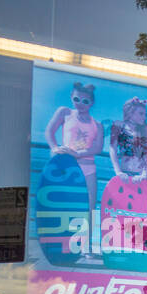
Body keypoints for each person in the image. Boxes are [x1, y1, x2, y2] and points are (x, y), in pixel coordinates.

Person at [44, 81, 104, 213]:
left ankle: (87, 233)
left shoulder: (97, 125)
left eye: (85, 101)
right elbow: (49, 131)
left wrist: (79, 154)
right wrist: (54, 148)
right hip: (66, 164)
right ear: (71, 97)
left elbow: (98, 147)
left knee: (90, 207)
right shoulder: (65, 112)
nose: (81, 103)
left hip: (88, 168)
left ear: (91, 103)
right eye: (77, 99)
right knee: (63, 203)